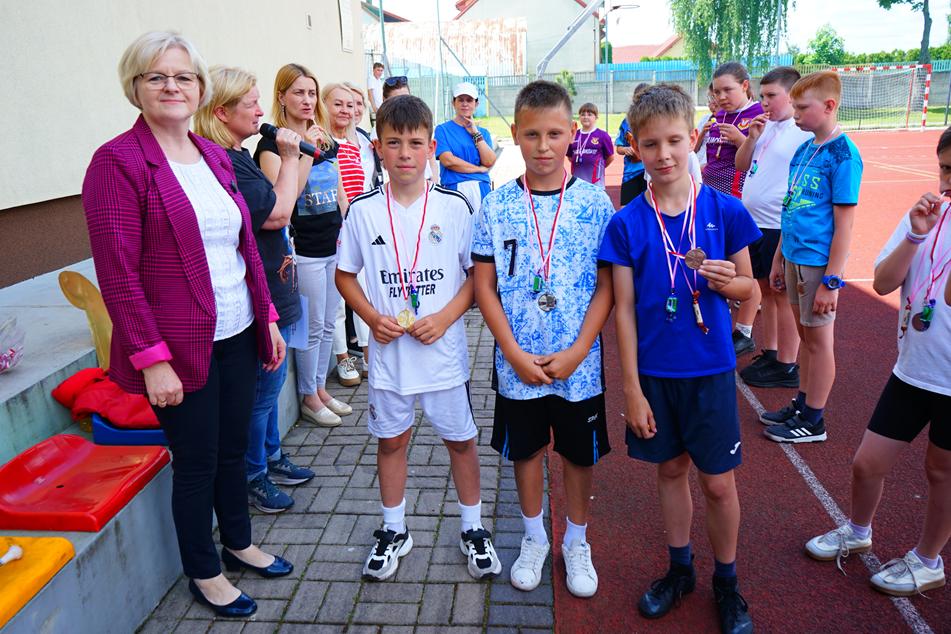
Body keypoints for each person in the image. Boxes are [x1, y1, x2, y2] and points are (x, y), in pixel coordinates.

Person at [82, 31, 291, 619]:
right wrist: (152, 359)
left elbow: (245, 247)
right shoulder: (117, 163)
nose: (171, 87)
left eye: (183, 77)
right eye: (156, 77)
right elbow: (118, 274)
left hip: (238, 331)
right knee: (197, 462)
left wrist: (268, 317)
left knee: (233, 448)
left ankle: (239, 542)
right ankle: (204, 571)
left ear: (199, 88)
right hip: (178, 347)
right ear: (135, 88)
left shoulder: (215, 155)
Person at [598, 84, 759, 633]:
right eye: (650, 144)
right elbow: (623, 310)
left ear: (692, 138)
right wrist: (631, 388)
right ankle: (680, 569)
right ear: (636, 148)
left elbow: (750, 290)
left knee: (718, 483)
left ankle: (727, 582)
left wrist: (729, 282)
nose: (663, 154)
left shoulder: (724, 209)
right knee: (670, 470)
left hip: (710, 372)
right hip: (655, 375)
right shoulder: (626, 222)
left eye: (673, 141)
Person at [336, 95, 501, 582]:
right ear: (378, 149)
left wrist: (446, 317)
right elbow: (345, 275)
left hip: (442, 354)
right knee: (391, 442)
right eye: (393, 143)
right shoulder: (363, 211)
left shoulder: (455, 207)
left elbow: (475, 278)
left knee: (461, 442)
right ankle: (394, 529)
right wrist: (371, 317)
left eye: (414, 143)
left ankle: (472, 527)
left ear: (431, 147)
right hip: (390, 356)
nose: (404, 153)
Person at [472, 80, 614, 599]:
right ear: (515, 134)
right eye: (532, 134)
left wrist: (578, 350)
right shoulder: (495, 206)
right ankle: (533, 537)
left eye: (554, 134)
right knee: (526, 452)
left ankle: (576, 540)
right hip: (518, 364)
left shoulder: (596, 204)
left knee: (579, 455)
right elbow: (483, 286)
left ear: (572, 132)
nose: (544, 146)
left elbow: (607, 287)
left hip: (579, 363)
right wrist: (511, 351)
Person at [804, 128, 951, 596]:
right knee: (867, 464)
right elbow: (885, 283)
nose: (947, 182)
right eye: (945, 169)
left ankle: (928, 560)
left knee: (941, 471)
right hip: (914, 369)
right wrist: (914, 234)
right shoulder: (928, 216)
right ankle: (858, 530)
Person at [194, 65, 316, 513]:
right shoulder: (225, 162)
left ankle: (270, 455)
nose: (261, 111)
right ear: (221, 112)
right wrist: (289, 155)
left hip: (271, 284)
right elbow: (278, 213)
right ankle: (253, 474)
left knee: (271, 384)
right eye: (251, 103)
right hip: (256, 290)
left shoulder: (237, 155)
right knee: (263, 392)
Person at [762, 71, 864, 443]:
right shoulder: (805, 150)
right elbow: (789, 209)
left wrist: (831, 282)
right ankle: (803, 404)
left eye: (803, 108)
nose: (796, 115)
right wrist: (778, 257)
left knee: (819, 343)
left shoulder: (843, 155)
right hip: (793, 255)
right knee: (806, 339)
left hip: (817, 263)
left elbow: (845, 225)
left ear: (829, 106)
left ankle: (814, 420)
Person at [255, 63, 352, 428]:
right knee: (311, 326)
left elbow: (339, 194)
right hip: (302, 249)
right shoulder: (271, 146)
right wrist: (305, 152)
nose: (308, 100)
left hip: (332, 243)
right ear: (281, 97)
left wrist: (349, 230)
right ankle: (308, 397)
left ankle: (320, 389)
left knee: (328, 322)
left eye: (312, 93)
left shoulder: (323, 140)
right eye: (298, 92)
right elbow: (287, 199)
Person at [733, 67, 812, 376]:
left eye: (771, 95)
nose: (764, 102)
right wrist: (751, 138)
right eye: (762, 95)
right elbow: (742, 164)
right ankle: (772, 350)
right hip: (755, 223)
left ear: (792, 96)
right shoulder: (764, 127)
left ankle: (787, 363)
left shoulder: (801, 133)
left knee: (782, 293)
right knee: (765, 290)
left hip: (778, 224)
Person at [322, 82, 365, 387]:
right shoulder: (322, 144)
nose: (345, 110)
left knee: (364, 294)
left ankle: (369, 354)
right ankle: (343, 359)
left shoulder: (354, 145)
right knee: (337, 302)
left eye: (350, 105)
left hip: (358, 228)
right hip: (335, 229)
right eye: (338, 104)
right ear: (324, 106)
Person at [703, 62, 764, 198]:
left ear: (744, 86)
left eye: (728, 90)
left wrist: (739, 139)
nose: (721, 97)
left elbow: (764, 157)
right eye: (717, 92)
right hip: (709, 189)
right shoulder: (720, 115)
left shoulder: (759, 113)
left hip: (736, 193)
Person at [434, 82, 496, 213]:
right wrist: (478, 169)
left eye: (469, 100)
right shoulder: (443, 130)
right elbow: (448, 161)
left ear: (476, 104)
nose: (465, 104)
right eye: (460, 100)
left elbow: (489, 161)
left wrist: (475, 133)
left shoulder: (483, 133)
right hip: (454, 190)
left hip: (481, 189)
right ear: (453, 103)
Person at [567, 102, 614, 188]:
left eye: (589, 114)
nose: (585, 117)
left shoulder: (603, 135)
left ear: (596, 117)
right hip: (577, 183)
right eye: (583, 114)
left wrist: (599, 168)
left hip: (596, 183)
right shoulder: (573, 135)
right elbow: (570, 156)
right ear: (579, 117)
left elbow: (610, 157)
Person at [616, 84, 649, 206]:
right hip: (630, 174)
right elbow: (618, 148)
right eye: (639, 98)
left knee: (650, 210)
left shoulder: (655, 120)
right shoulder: (626, 122)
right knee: (625, 209)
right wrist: (626, 149)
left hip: (650, 173)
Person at [695, 84, 716, 169]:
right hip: (697, 163)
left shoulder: (728, 122)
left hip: (708, 168)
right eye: (709, 99)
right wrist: (703, 133)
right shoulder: (705, 119)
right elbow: (693, 149)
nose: (710, 105)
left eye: (712, 98)